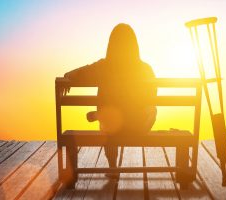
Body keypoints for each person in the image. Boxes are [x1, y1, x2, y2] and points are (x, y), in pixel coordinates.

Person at [63, 23, 157, 175]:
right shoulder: (145, 69)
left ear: (111, 45)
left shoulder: (104, 66)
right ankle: (106, 115)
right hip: (138, 126)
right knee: (152, 109)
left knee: (110, 123)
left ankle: (113, 166)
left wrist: (68, 75)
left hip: (113, 126)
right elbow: (153, 96)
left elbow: (83, 71)